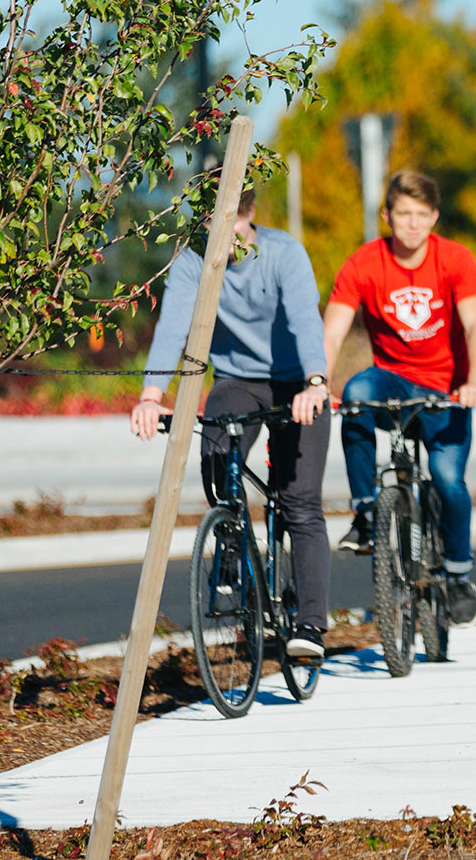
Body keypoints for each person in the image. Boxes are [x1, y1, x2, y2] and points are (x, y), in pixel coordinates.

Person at [131, 189, 333, 661]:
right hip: (238, 380)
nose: (228, 245)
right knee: (218, 457)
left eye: (236, 232)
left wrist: (316, 382)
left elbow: (306, 320)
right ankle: (230, 541)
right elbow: (173, 330)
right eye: (216, 232)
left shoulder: (284, 254)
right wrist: (151, 396)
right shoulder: (191, 262)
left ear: (250, 215)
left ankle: (311, 624)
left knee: (299, 503)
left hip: (296, 383)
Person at [321, 170, 476, 625]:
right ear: (386, 216)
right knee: (355, 395)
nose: (413, 225)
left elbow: (475, 324)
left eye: (422, 216)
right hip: (392, 382)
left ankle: (457, 574)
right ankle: (365, 512)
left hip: (447, 388)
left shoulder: (455, 259)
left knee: (448, 479)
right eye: (403, 214)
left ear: (434, 217)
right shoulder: (364, 263)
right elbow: (333, 331)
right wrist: (318, 381)